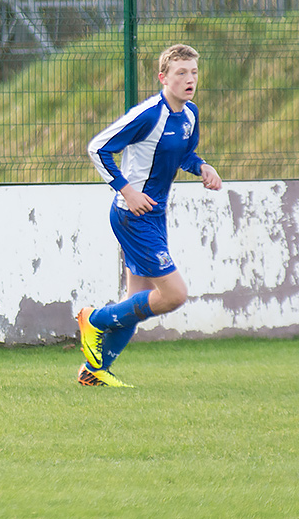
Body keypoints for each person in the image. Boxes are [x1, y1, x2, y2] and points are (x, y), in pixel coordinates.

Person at [78, 44, 222, 387]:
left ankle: (94, 373)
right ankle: (94, 319)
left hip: (153, 215)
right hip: (133, 215)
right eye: (181, 73)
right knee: (173, 295)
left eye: (194, 73)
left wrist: (202, 166)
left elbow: (183, 153)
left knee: (136, 302)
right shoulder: (148, 114)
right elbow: (98, 147)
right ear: (163, 77)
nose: (190, 79)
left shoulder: (189, 114)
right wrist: (126, 189)